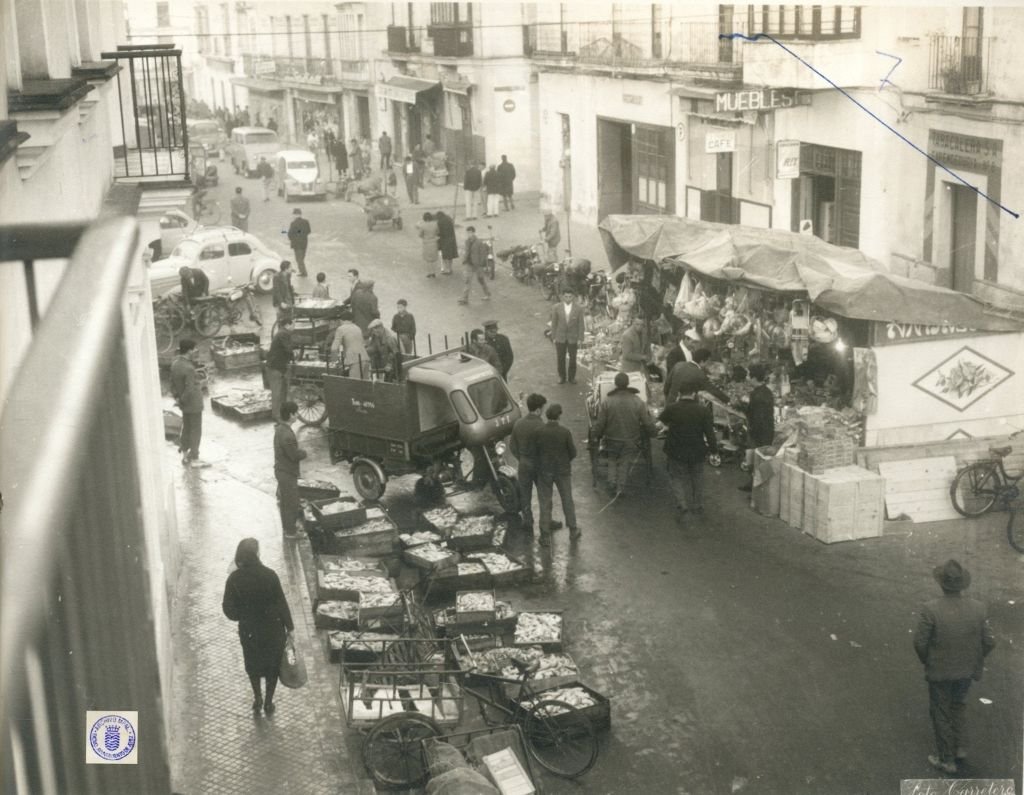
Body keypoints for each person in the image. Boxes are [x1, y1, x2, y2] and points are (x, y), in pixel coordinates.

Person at [913, 559, 996, 774]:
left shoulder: (930, 609)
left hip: (940, 671)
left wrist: (929, 660)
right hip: (967, 670)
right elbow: (989, 641)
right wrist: (974, 659)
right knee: (958, 705)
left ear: (941, 584)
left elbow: (920, 643)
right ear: (962, 585)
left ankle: (946, 759)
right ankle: (960, 748)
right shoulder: (978, 608)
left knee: (940, 711)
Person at [222, 537, 295, 716]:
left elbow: (228, 608)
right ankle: (269, 702)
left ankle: (258, 698)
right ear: (256, 554)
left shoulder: (234, 578)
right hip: (273, 630)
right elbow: (281, 603)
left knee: (253, 665)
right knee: (272, 667)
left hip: (250, 631)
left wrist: (243, 615)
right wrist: (290, 628)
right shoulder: (270, 575)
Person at [593, 371, 657, 497]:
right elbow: (646, 422)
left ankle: (611, 481)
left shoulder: (607, 401)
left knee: (612, 458)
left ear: (615, 384)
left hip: (611, 438)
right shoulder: (637, 401)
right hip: (631, 439)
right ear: (628, 384)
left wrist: (596, 435)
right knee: (625, 461)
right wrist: (653, 432)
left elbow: (600, 423)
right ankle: (620, 487)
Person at [658, 386, 717, 520]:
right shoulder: (703, 410)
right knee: (697, 477)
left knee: (676, 477)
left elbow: (661, 423)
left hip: (676, 449)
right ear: (694, 394)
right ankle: (697, 504)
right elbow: (709, 433)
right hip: (697, 450)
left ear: (679, 393)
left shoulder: (672, 408)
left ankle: (682, 504)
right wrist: (714, 450)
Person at [509, 393, 563, 533]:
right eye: (543, 408)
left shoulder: (518, 423)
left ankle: (527, 521)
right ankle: (547, 521)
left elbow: (512, 446)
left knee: (525, 494)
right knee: (545, 495)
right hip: (539, 466)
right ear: (538, 409)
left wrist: (521, 458)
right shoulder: (542, 426)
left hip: (524, 464)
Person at [535, 403, 580, 544]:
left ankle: (545, 535)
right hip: (562, 471)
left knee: (545, 501)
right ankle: (573, 530)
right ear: (559, 415)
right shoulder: (565, 432)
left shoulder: (539, 431)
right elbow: (573, 452)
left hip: (545, 471)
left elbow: (535, 452)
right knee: (567, 499)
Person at [170, 338, 208, 467]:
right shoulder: (189, 368)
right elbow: (190, 388)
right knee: (196, 430)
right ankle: (195, 458)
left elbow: (172, 385)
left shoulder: (175, 364)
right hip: (194, 404)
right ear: (189, 351)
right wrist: (182, 400)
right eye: (194, 349)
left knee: (186, 429)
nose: (196, 351)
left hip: (184, 405)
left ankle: (185, 456)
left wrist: (177, 399)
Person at [739, 363, 775, 492]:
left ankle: (757, 490)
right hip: (765, 430)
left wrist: (743, 407)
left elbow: (757, 416)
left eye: (749, 375)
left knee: (757, 459)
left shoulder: (758, 394)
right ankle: (754, 486)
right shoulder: (765, 391)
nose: (747, 377)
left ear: (754, 378)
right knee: (757, 460)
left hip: (760, 431)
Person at [274, 400, 307, 538]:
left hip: (282, 470)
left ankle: (288, 527)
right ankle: (291, 532)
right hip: (287, 472)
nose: (298, 415)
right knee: (291, 503)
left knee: (285, 502)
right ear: (291, 415)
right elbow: (293, 455)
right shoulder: (287, 434)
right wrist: (303, 453)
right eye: (296, 412)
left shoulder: (281, 429)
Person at [665, 348, 731, 404]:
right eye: (708, 361)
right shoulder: (699, 374)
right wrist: (728, 400)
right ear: (702, 361)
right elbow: (712, 389)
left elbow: (667, 385)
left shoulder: (678, 365)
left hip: (670, 403)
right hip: (685, 405)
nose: (709, 364)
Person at [549, 289, 585, 384]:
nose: (568, 299)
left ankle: (572, 377)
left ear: (573, 297)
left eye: (570, 296)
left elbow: (581, 324)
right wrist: (553, 337)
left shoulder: (579, 308)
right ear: (562, 296)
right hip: (560, 337)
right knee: (560, 358)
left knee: (573, 358)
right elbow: (554, 323)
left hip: (573, 337)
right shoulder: (556, 307)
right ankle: (562, 376)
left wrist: (580, 338)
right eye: (566, 296)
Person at [266, 316, 293, 421]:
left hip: (279, 366)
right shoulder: (283, 334)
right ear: (287, 325)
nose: (294, 327)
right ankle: (276, 416)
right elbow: (288, 348)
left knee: (282, 392)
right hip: (275, 367)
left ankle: (280, 414)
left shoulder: (283, 333)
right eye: (293, 324)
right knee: (277, 393)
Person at [330, 311, 369, 378]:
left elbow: (334, 348)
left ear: (341, 320)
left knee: (353, 385)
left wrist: (334, 362)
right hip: (365, 358)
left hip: (355, 360)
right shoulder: (357, 328)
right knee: (365, 385)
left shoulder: (341, 329)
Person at [458, 226, 492, 305]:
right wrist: (464, 259)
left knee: (481, 280)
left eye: (470, 233)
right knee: (467, 281)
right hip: (469, 264)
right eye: (467, 233)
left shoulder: (479, 242)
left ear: (473, 233)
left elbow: (483, 254)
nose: (468, 234)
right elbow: (466, 252)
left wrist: (481, 264)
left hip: (478, 265)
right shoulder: (467, 241)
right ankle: (464, 298)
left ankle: (487, 294)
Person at [287, 208, 311, 277]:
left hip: (297, 244)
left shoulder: (293, 223)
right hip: (304, 243)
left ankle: (303, 272)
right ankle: (302, 271)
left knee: (299, 259)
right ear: (300, 214)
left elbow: (290, 234)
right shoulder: (306, 221)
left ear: (295, 215)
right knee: (302, 257)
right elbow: (308, 231)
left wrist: (293, 238)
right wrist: (302, 234)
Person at [417, 212, 440, 278]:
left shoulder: (423, 225)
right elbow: (438, 232)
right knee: (433, 258)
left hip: (426, 243)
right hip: (434, 242)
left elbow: (420, 235)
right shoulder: (435, 224)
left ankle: (429, 272)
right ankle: (434, 272)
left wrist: (424, 237)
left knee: (428, 259)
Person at [435, 210, 458, 275]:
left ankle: (447, 269)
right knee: (450, 256)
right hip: (452, 239)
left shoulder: (440, 222)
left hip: (444, 240)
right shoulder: (448, 218)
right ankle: (450, 268)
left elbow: (439, 232)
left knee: (445, 256)